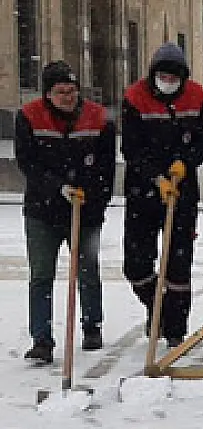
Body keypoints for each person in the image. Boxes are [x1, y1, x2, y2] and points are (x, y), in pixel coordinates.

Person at [14, 60, 116, 364]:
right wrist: (58, 188)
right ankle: (42, 339)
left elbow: (105, 168)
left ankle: (91, 325)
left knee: (87, 270)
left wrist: (95, 203)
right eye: (61, 92)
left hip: (85, 210)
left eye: (72, 91)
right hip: (41, 211)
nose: (69, 97)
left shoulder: (98, 118)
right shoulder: (29, 116)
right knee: (41, 275)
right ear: (47, 94)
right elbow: (28, 163)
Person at [121, 42, 203, 346]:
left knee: (178, 263)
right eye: (164, 76)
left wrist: (185, 163)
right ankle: (156, 308)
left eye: (175, 77)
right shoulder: (134, 97)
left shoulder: (197, 96)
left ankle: (175, 329)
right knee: (136, 263)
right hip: (143, 191)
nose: (169, 82)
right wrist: (155, 177)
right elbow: (132, 147)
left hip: (183, 190)